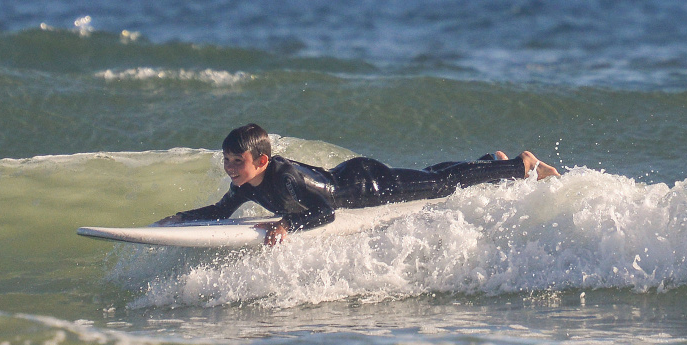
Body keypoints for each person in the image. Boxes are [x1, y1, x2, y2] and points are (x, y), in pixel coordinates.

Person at [157, 123, 560, 245]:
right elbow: (218, 213)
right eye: (226, 160)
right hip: (350, 175)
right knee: (429, 174)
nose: (229, 167)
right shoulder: (247, 183)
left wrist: (286, 226)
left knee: (439, 184)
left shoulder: (283, 178)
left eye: (236, 161)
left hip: (368, 186)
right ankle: (491, 161)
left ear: (260, 160)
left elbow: (324, 213)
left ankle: (519, 167)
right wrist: (179, 219)